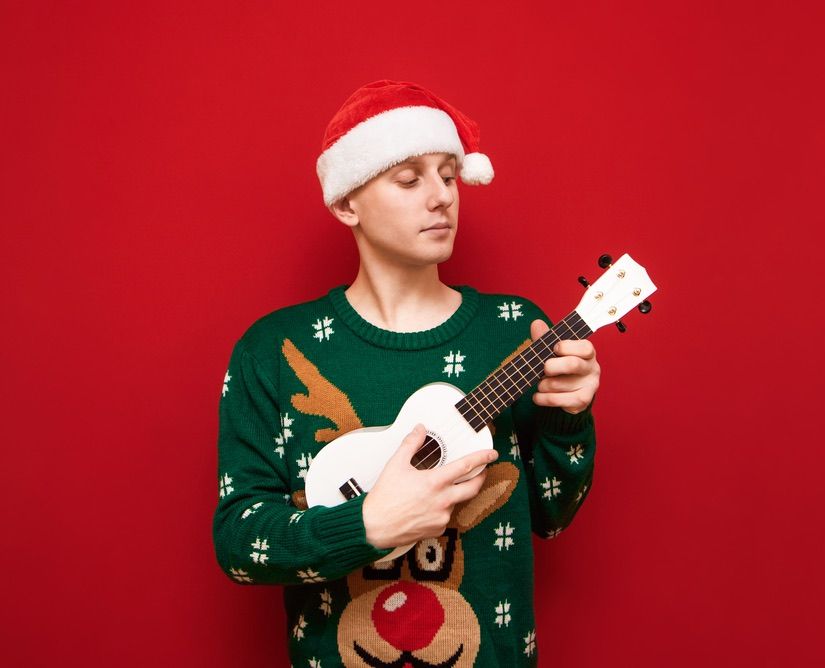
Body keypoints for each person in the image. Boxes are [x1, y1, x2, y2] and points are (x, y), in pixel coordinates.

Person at [213, 79, 600, 667]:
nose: (442, 196)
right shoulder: (272, 349)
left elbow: (551, 515)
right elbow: (240, 544)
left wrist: (570, 419)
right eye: (409, 178)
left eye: (449, 174)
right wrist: (367, 523)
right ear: (347, 203)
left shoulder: (514, 330)